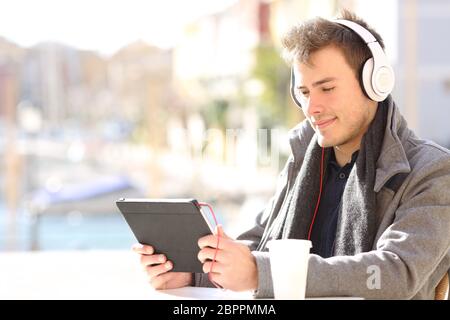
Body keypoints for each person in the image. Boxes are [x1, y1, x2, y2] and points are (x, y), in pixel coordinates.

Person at [133, 10, 450, 299]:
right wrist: (192, 273)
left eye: (327, 88)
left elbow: (396, 273)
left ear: (375, 84)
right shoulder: (303, 161)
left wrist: (264, 272)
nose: (312, 108)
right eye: (304, 93)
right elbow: (259, 242)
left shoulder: (431, 171)